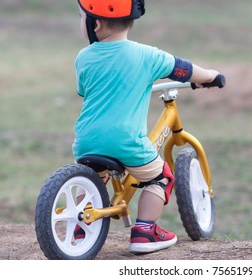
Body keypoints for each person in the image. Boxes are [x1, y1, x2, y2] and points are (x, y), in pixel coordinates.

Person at [73, 0, 220, 254]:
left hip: (86, 140)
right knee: (161, 177)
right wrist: (209, 76)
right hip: (125, 141)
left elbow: (84, 90)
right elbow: (183, 69)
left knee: (94, 177)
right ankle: (144, 231)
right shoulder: (147, 56)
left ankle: (80, 226)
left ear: (95, 23)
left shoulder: (83, 57)